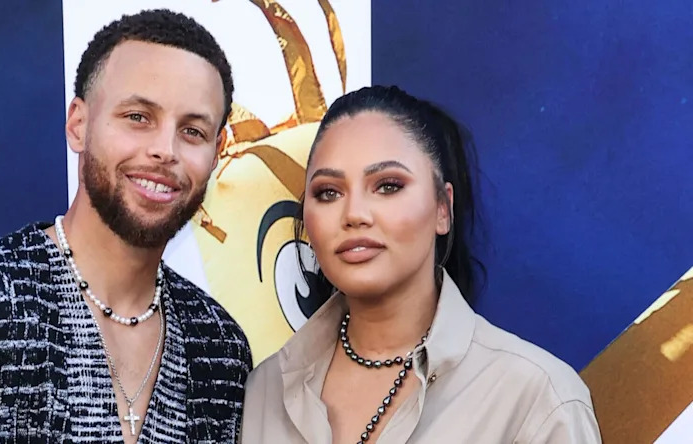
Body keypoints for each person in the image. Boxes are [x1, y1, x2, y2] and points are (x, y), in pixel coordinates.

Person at [0, 9, 252, 443]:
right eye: (138, 117)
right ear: (78, 125)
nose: (164, 150)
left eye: (192, 131)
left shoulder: (221, 351)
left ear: (217, 152)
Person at [240, 85, 601, 443]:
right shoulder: (264, 393)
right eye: (328, 192)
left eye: (388, 185)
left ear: (443, 209)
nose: (354, 214)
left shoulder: (537, 399)